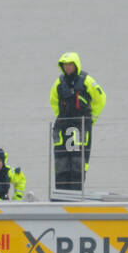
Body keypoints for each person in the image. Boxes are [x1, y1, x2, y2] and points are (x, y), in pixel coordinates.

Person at [49, 51, 106, 192]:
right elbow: (54, 101)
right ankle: (61, 195)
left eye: (70, 64)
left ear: (76, 65)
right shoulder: (58, 82)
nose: (67, 67)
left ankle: (76, 194)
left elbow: (101, 99)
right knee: (61, 162)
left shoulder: (87, 81)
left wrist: (92, 119)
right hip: (63, 127)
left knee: (78, 162)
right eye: (65, 65)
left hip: (81, 126)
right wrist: (62, 117)